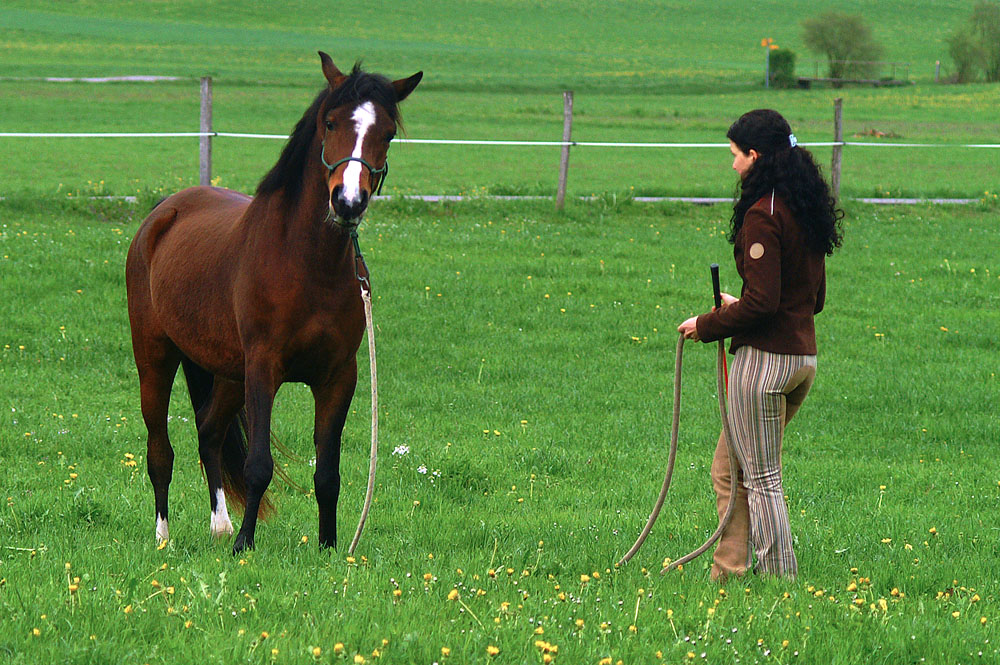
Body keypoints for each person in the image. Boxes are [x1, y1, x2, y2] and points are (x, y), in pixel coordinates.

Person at [677, 109, 843, 580]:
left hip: (765, 367)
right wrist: (741, 304)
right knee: (729, 470)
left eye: (735, 156)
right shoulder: (803, 207)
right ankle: (728, 569)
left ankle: (779, 581)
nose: (732, 166)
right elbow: (814, 299)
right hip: (802, 361)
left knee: (763, 477)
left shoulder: (762, 213)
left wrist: (708, 322)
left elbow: (764, 305)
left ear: (754, 156)